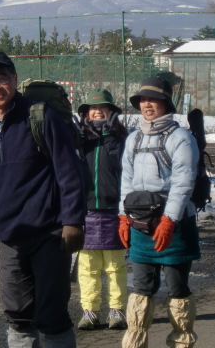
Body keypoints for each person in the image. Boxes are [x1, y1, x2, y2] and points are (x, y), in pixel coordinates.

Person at [0, 51, 87, 348]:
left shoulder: (40, 115)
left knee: (52, 315)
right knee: (17, 315)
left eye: (2, 78)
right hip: (8, 236)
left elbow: (70, 174)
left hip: (49, 233)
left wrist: (73, 221)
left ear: (15, 80)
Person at [119, 77, 200, 348]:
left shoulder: (182, 139)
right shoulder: (133, 139)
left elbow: (183, 182)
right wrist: (122, 215)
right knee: (141, 287)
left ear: (166, 103)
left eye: (153, 99)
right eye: (142, 100)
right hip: (140, 224)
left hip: (174, 224)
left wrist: (169, 219)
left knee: (177, 287)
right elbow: (126, 180)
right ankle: (135, 343)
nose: (147, 104)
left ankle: (181, 341)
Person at [75, 88, 129, 331]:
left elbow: (121, 164)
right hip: (85, 211)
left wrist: (108, 135)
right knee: (87, 267)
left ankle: (116, 310)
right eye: (93, 108)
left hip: (112, 210)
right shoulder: (79, 139)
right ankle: (90, 311)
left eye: (103, 108)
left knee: (115, 266)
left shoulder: (120, 138)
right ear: (86, 114)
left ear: (112, 112)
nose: (98, 111)